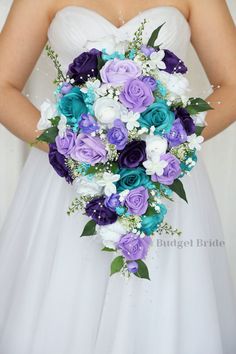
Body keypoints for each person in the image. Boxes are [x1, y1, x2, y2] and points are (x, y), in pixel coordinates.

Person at [0, 0, 236, 353]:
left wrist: (170, 140)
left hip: (161, 180)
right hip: (71, 179)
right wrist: (73, 148)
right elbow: (3, 85)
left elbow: (232, 83)